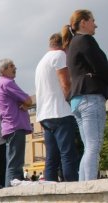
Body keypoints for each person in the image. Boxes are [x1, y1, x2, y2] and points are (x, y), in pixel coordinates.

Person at [62, 10, 108, 181]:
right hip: (91, 96)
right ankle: (89, 185)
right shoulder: (85, 40)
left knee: (89, 146)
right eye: (93, 21)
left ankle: (83, 184)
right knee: (94, 146)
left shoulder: (72, 44)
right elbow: (100, 66)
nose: (95, 25)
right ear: (83, 22)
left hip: (77, 99)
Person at [35, 33, 79, 182]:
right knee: (68, 154)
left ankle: (49, 188)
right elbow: (65, 84)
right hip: (60, 111)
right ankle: (73, 187)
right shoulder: (59, 56)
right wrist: (73, 103)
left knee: (51, 158)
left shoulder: (42, 61)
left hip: (45, 115)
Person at [0, 59, 33, 187]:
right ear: (3, 70)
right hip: (15, 125)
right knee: (15, 165)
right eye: (12, 66)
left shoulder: (1, 84)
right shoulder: (8, 83)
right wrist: (25, 104)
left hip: (10, 126)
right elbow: (28, 100)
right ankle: (11, 193)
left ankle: (10, 191)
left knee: (13, 163)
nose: (15, 68)